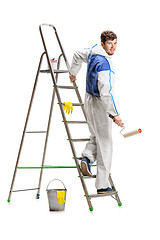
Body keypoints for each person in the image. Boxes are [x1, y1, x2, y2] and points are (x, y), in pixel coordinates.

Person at [69, 31, 123, 194]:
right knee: (105, 144)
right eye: (109, 44)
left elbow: (78, 54)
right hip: (100, 104)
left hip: (88, 101)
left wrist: (73, 72)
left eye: (115, 43)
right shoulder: (104, 64)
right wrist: (115, 114)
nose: (113, 47)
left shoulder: (93, 52)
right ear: (102, 44)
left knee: (95, 135)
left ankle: (86, 158)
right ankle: (102, 185)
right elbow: (106, 93)